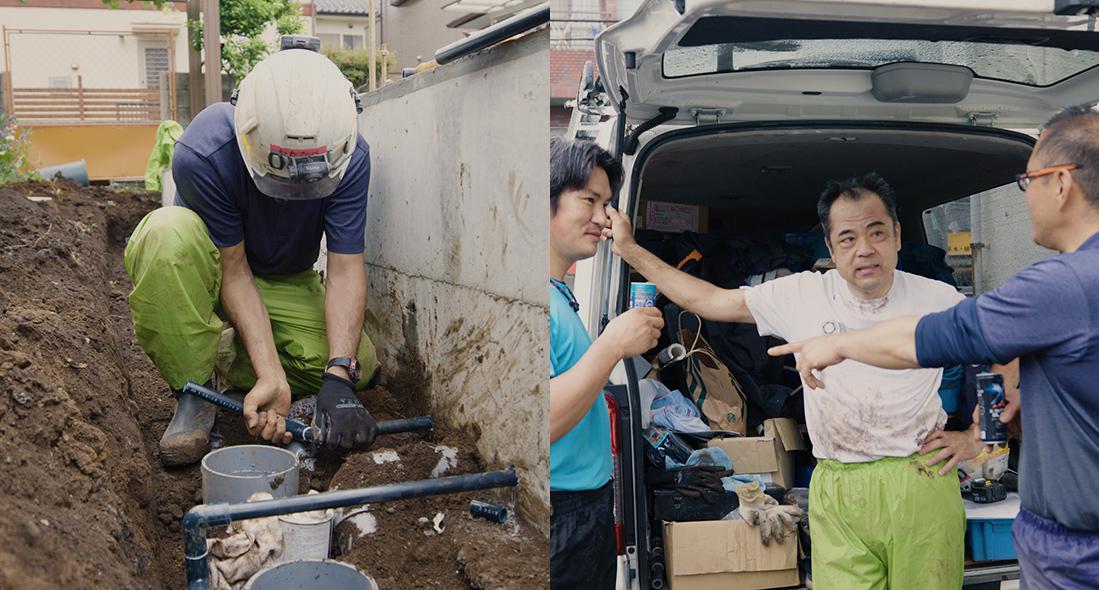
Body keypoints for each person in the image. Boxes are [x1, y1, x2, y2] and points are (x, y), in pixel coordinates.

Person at [771, 105, 1099, 589]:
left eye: (1028, 182)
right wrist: (997, 421)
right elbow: (1005, 354)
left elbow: (928, 339)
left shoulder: (1059, 287)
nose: (1025, 196)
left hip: (1076, 551)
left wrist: (836, 343)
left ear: (1062, 184)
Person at [605, 173, 981, 589]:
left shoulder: (940, 300)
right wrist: (631, 250)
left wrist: (978, 437)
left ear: (896, 235)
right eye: (848, 238)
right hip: (837, 485)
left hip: (920, 480)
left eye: (876, 232)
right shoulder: (803, 293)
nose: (865, 249)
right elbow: (708, 301)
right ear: (831, 247)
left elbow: (1008, 360)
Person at [124, 43, 381, 466]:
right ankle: (195, 391)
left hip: (284, 280)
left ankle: (233, 360)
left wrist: (338, 377)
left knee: (362, 362)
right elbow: (235, 271)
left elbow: (344, 271)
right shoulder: (205, 151)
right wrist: (272, 370)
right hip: (210, 275)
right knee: (164, 234)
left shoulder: (350, 155)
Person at [549, 138, 664, 589]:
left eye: (608, 203)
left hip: (585, 508)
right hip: (563, 514)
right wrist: (612, 343)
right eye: (589, 200)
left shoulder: (559, 296)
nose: (603, 217)